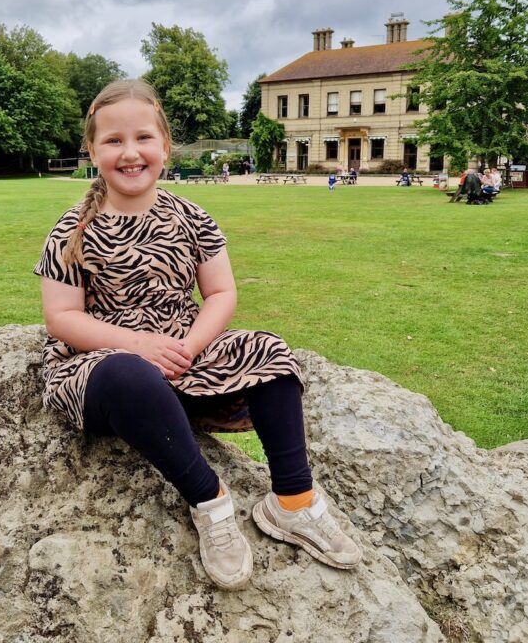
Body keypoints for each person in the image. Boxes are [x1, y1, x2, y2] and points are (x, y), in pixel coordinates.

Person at [34, 79, 361, 591]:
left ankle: (292, 502)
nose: (130, 152)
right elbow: (62, 317)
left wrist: (189, 345)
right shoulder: (72, 229)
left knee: (270, 351)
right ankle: (210, 500)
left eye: (143, 137)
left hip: (184, 352)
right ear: (92, 151)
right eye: (113, 141)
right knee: (131, 376)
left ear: (165, 146)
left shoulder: (191, 217)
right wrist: (137, 345)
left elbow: (222, 294)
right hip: (103, 363)